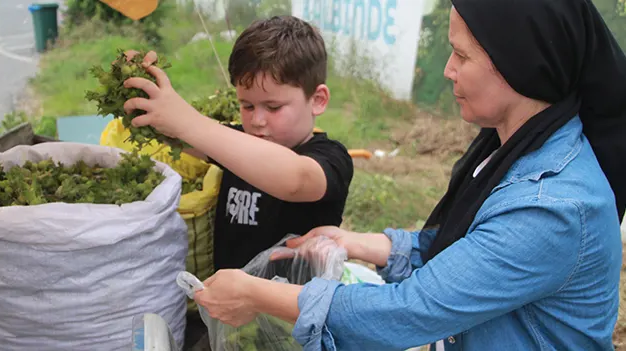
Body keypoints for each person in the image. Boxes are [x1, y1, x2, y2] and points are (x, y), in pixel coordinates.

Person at [190, 0, 626, 350]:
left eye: (461, 54)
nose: (447, 70)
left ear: (520, 64)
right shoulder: (511, 149)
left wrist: (257, 295)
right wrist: (360, 243)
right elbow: (456, 252)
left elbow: (406, 312)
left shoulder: (548, 207)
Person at [122, 16, 354, 272]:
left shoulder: (331, 158)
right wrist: (137, 89)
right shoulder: (237, 143)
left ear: (318, 100)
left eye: (273, 107)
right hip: (228, 305)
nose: (256, 120)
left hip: (293, 309)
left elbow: (296, 180)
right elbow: (172, 133)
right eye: (247, 105)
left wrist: (190, 122)